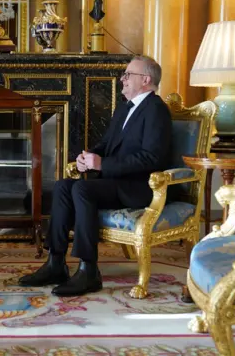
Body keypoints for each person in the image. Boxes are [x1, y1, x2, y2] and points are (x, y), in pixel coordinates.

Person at [18, 55, 172, 296]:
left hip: (138, 187)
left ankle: (89, 270)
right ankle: (55, 262)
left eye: (128, 75)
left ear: (145, 79)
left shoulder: (156, 110)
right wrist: (88, 156)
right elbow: (107, 143)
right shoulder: (125, 108)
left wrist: (103, 164)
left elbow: (152, 158)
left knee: (82, 189)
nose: (123, 79)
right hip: (114, 182)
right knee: (62, 186)